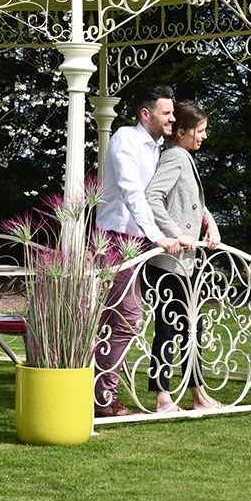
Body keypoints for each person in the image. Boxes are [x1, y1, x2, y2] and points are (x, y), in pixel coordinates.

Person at [93, 84, 192, 417]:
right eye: (166, 113)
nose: (172, 118)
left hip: (141, 243)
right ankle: (102, 398)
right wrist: (159, 236)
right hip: (116, 239)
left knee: (120, 318)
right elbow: (131, 192)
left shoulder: (158, 149)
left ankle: (98, 392)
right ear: (145, 114)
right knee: (125, 317)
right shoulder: (125, 139)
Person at [144, 99, 222, 413]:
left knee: (192, 326)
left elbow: (195, 204)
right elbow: (152, 196)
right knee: (169, 326)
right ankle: (163, 397)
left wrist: (211, 224)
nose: (203, 136)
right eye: (199, 130)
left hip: (186, 262)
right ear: (182, 132)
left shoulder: (185, 157)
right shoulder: (175, 157)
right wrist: (174, 234)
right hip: (169, 263)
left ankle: (197, 394)